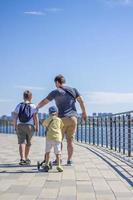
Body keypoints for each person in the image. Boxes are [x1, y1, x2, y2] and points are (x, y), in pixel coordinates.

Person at [37, 74, 87, 165]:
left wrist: (36, 108)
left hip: (62, 119)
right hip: (73, 118)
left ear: (57, 82)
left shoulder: (56, 92)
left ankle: (58, 160)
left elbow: (45, 101)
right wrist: (84, 113)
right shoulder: (73, 90)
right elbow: (81, 101)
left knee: (59, 140)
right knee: (70, 141)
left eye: (55, 83)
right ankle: (69, 160)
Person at [13, 90, 39, 165]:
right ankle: (26, 158)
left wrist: (15, 126)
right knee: (28, 143)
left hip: (20, 125)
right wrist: (37, 127)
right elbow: (35, 118)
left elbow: (15, 117)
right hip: (30, 126)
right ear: (31, 97)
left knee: (21, 142)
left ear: (23, 97)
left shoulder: (19, 105)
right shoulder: (33, 106)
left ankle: (22, 158)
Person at [42, 106, 64, 172]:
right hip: (57, 138)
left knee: (47, 152)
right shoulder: (59, 120)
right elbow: (61, 127)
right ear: (56, 113)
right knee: (58, 152)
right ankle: (59, 165)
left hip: (49, 138)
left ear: (49, 113)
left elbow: (44, 125)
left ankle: (46, 164)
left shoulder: (47, 119)